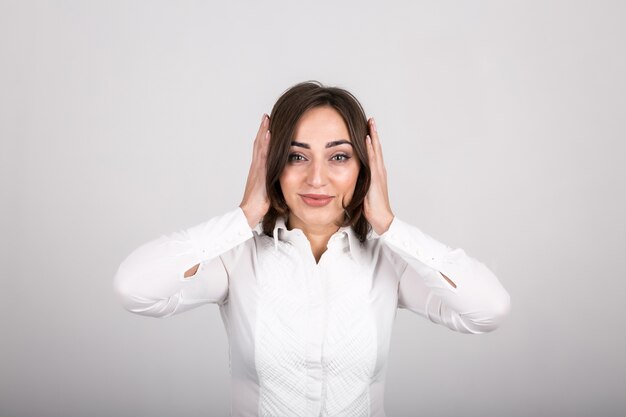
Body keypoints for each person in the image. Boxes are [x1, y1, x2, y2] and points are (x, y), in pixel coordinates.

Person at [113, 80, 511, 417]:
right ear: (272, 165)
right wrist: (245, 214)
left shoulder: (388, 262)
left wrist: (389, 225)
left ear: (364, 169)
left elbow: (488, 310)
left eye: (338, 156)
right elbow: (135, 288)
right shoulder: (238, 259)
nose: (316, 178)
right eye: (296, 156)